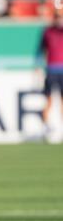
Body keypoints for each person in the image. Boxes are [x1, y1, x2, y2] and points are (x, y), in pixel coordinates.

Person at [37, 7, 63, 137]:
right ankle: (46, 128)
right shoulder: (47, 32)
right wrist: (37, 67)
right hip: (51, 70)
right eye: (57, 16)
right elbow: (40, 51)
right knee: (48, 100)